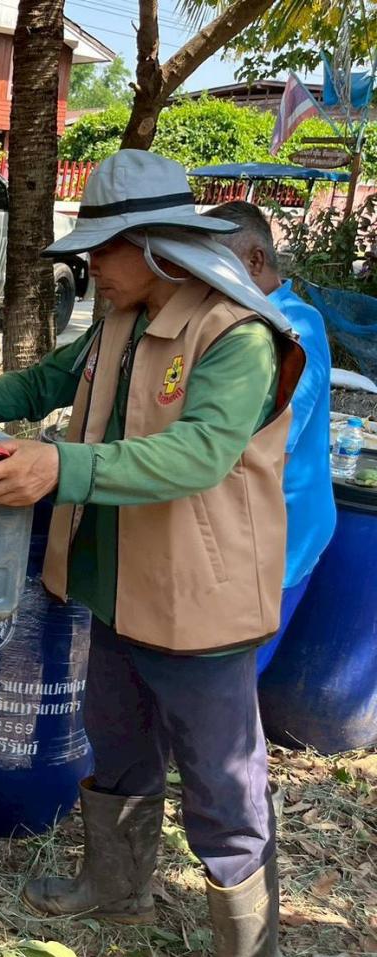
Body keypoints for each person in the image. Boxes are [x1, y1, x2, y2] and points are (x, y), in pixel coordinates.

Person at [0, 150, 305, 957]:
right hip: (115, 582)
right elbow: (43, 384)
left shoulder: (237, 336)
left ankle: (249, 943)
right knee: (118, 742)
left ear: (160, 244)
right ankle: (118, 888)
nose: (91, 267)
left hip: (199, 599)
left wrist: (61, 466)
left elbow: (199, 455)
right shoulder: (122, 321)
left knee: (221, 781)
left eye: (102, 249)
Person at [204, 201, 336, 674]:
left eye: (216, 267)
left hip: (283, 531)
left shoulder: (295, 328)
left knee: (232, 685)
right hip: (242, 529)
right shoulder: (235, 321)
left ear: (256, 260)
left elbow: (273, 438)